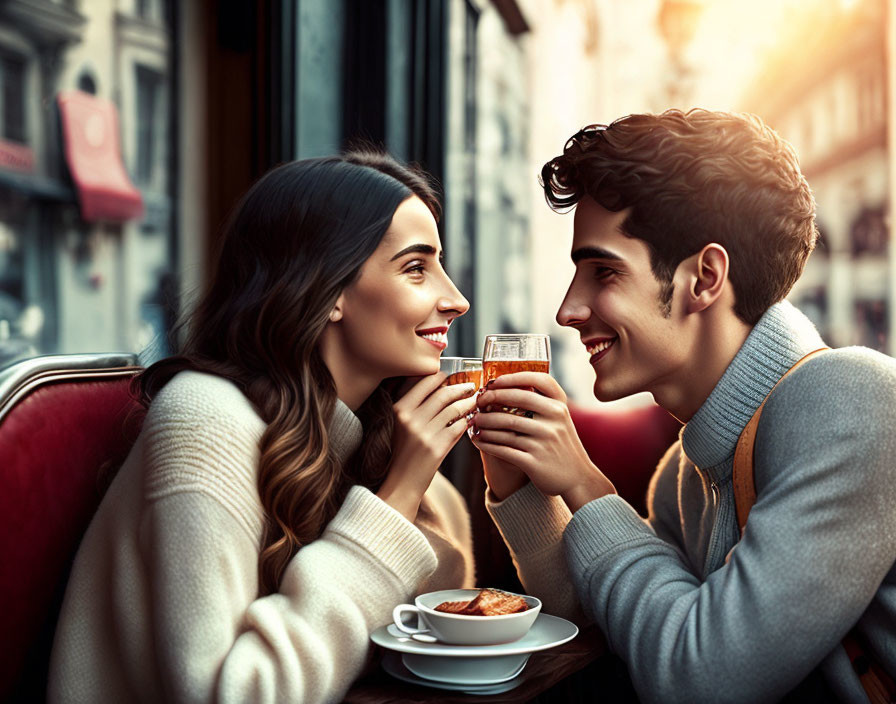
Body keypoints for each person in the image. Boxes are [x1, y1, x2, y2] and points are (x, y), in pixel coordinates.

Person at [472, 109, 896, 703]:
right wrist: (520, 486)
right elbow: (615, 616)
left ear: (704, 279)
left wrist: (589, 487)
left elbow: (703, 680)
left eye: (603, 272)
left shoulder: (855, 401)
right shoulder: (682, 475)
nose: (568, 310)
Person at [49, 151, 478, 704]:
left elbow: (438, 618)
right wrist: (395, 498)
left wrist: (499, 480)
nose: (457, 300)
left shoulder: (362, 428)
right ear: (330, 291)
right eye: (416, 268)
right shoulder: (204, 420)